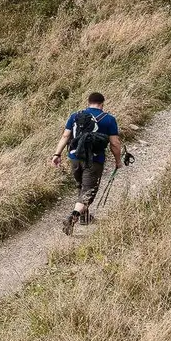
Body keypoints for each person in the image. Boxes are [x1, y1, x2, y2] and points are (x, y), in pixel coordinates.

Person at [50, 91, 124, 234]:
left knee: (82, 186)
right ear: (102, 104)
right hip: (94, 160)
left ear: (88, 102)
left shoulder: (75, 116)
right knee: (88, 192)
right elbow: (115, 143)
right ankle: (73, 217)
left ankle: (85, 217)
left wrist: (56, 154)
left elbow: (66, 135)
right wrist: (118, 161)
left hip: (75, 157)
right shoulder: (108, 119)